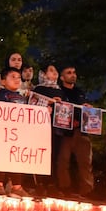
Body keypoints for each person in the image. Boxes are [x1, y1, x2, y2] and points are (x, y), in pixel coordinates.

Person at [0, 67, 30, 197]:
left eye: (18, 77)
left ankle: (17, 186)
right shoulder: (1, 95)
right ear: (3, 81)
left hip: (18, 134)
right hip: (3, 133)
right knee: (2, 158)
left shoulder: (23, 98)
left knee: (17, 159)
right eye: (13, 77)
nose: (17, 79)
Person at [57, 66, 95, 198]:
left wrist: (89, 108)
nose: (73, 75)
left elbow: (85, 109)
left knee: (85, 162)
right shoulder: (59, 92)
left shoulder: (80, 92)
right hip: (65, 132)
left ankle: (87, 190)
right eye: (69, 73)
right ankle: (64, 188)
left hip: (81, 131)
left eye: (74, 72)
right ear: (62, 77)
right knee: (63, 161)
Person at [32, 64, 65, 194]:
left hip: (57, 127)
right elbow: (33, 105)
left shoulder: (60, 90)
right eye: (51, 70)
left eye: (56, 70)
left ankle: (52, 184)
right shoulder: (39, 89)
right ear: (44, 74)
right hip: (42, 126)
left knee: (54, 156)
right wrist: (49, 102)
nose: (55, 72)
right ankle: (40, 183)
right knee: (41, 154)